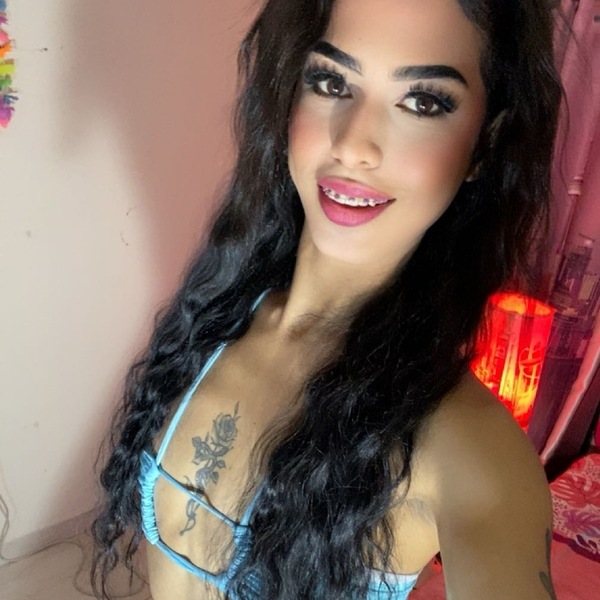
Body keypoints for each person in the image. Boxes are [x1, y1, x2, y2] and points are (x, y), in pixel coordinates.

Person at [92, 0, 563, 598]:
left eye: (423, 101)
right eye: (332, 82)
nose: (354, 144)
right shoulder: (217, 315)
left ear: (484, 145)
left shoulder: (466, 447)